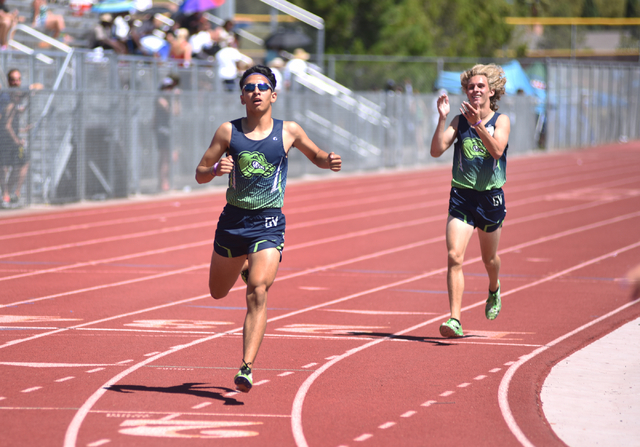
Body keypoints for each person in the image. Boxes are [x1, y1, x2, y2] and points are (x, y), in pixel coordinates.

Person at [195, 65, 342, 392]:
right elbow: (200, 172)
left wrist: (327, 159)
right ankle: (245, 264)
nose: (256, 91)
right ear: (243, 96)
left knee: (258, 290)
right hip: (232, 222)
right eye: (250, 87)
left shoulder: (288, 131)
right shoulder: (227, 132)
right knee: (217, 292)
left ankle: (246, 367)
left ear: (273, 94)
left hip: (268, 222)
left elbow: (315, 154)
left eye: (263, 86)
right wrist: (217, 168)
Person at [430, 64, 510, 338]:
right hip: (462, 196)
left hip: (490, 199)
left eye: (480, 86)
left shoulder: (501, 121)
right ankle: (455, 319)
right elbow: (436, 150)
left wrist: (478, 124)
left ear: (491, 91)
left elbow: (497, 150)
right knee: (454, 256)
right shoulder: (459, 120)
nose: (474, 90)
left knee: (489, 259)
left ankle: (494, 286)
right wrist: (442, 119)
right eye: (470, 87)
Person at [154, 76, 180, 192]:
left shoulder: (171, 100)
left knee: (173, 157)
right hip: (163, 132)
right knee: (165, 157)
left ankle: (168, 181)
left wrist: (176, 99)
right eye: (167, 88)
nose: (169, 90)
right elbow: (172, 112)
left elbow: (178, 111)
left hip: (171, 132)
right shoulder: (161, 100)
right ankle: (163, 183)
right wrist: (174, 99)